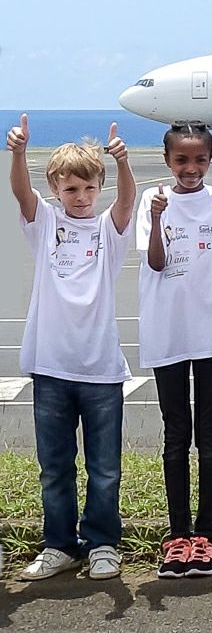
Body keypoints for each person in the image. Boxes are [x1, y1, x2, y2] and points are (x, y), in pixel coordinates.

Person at [8, 114, 135, 581]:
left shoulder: (108, 229)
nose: (79, 199)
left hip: (101, 368)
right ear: (56, 190)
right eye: (70, 190)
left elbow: (127, 202)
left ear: (97, 187)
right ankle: (59, 545)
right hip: (51, 365)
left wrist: (121, 162)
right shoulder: (44, 225)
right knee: (54, 466)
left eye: (87, 190)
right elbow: (22, 194)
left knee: (105, 469)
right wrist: (19, 153)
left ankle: (102, 543)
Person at [138, 120, 212, 578]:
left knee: (210, 433)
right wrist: (161, 218)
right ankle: (177, 535)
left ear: (210, 160)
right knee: (175, 434)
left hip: (211, 334)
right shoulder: (152, 200)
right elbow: (156, 261)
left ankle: (206, 537)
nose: (191, 168)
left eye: (199, 159)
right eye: (181, 159)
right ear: (167, 161)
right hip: (167, 333)